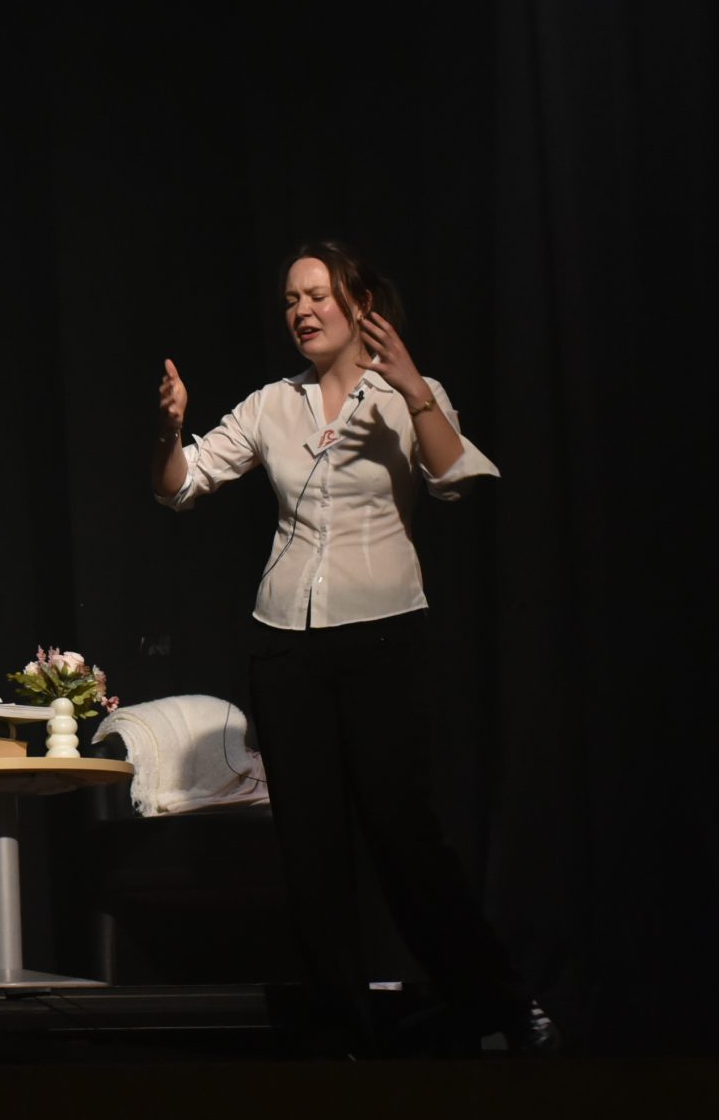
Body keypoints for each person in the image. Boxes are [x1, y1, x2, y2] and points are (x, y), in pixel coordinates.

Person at [151, 240, 559, 1055]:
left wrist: (413, 389)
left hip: (382, 638)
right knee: (310, 847)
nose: (301, 311)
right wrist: (169, 430)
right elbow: (181, 486)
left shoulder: (408, 395)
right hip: (285, 646)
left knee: (404, 833)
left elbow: (455, 479)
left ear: (360, 303)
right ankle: (342, 1030)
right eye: (290, 300)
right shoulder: (272, 405)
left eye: (317, 295)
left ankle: (500, 1001)